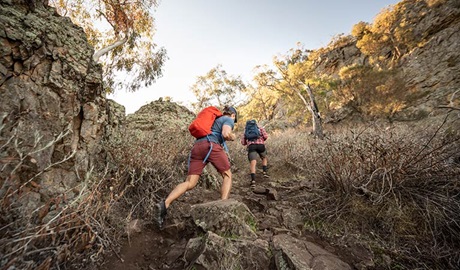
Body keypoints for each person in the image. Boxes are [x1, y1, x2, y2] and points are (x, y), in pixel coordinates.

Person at [156, 106, 238, 228]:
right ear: (233, 115)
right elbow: (226, 134)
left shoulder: (214, 119)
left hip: (198, 146)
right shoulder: (228, 119)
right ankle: (223, 206)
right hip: (211, 145)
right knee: (227, 175)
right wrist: (233, 136)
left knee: (190, 182)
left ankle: (165, 203)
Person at [241, 120, 269, 186]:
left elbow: (243, 142)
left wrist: (249, 142)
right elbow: (266, 136)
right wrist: (261, 140)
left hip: (251, 147)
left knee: (253, 163)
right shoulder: (260, 128)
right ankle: (264, 172)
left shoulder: (246, 131)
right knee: (264, 158)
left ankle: (253, 180)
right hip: (261, 146)